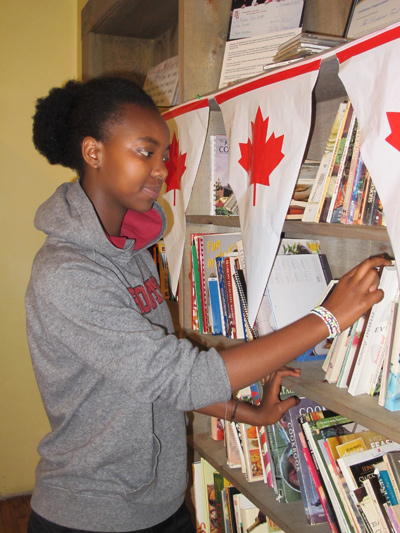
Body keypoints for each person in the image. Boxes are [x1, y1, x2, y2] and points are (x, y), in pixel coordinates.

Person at [26, 76, 389, 533]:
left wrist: (246, 413)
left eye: (164, 156)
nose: (161, 170)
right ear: (93, 152)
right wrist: (327, 318)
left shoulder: (131, 252)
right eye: (145, 151)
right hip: (91, 515)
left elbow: (151, 380)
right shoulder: (68, 274)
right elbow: (182, 379)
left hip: (159, 504)